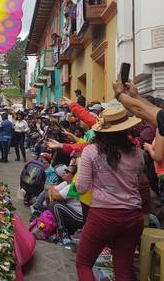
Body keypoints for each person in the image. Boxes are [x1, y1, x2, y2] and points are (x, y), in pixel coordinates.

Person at [75, 106, 145, 280]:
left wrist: (78, 166)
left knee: (83, 264)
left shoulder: (91, 152)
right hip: (133, 216)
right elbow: (140, 184)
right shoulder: (138, 153)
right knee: (123, 270)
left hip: (103, 216)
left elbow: (81, 188)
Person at [48, 165, 83, 240]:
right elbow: (49, 190)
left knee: (54, 205)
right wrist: (52, 191)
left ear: (73, 176)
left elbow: (55, 194)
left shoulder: (73, 187)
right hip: (71, 212)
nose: (64, 172)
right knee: (53, 203)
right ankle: (52, 226)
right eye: (65, 170)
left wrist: (52, 190)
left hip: (78, 217)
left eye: (67, 171)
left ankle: (62, 232)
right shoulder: (65, 183)